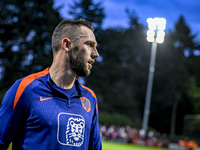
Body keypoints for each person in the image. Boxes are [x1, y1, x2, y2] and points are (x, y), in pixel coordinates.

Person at [0, 19, 102, 150]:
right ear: (67, 45)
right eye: (89, 45)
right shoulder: (25, 88)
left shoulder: (90, 98)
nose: (96, 54)